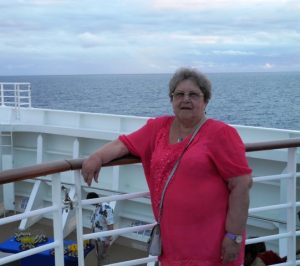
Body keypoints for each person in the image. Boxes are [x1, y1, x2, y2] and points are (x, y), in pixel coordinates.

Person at [81, 67, 252, 266]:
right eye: (179, 94)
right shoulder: (158, 128)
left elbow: (241, 185)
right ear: (171, 99)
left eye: (194, 95)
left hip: (210, 244)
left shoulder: (221, 134)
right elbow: (124, 144)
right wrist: (97, 156)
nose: (186, 99)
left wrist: (234, 236)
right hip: (173, 242)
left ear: (205, 101)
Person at [86, 192, 114, 265]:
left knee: (103, 258)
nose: (90, 204)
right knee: (98, 257)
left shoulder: (106, 208)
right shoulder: (97, 207)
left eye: (90, 202)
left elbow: (110, 224)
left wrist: (108, 239)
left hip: (103, 240)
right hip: (97, 238)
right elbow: (94, 222)